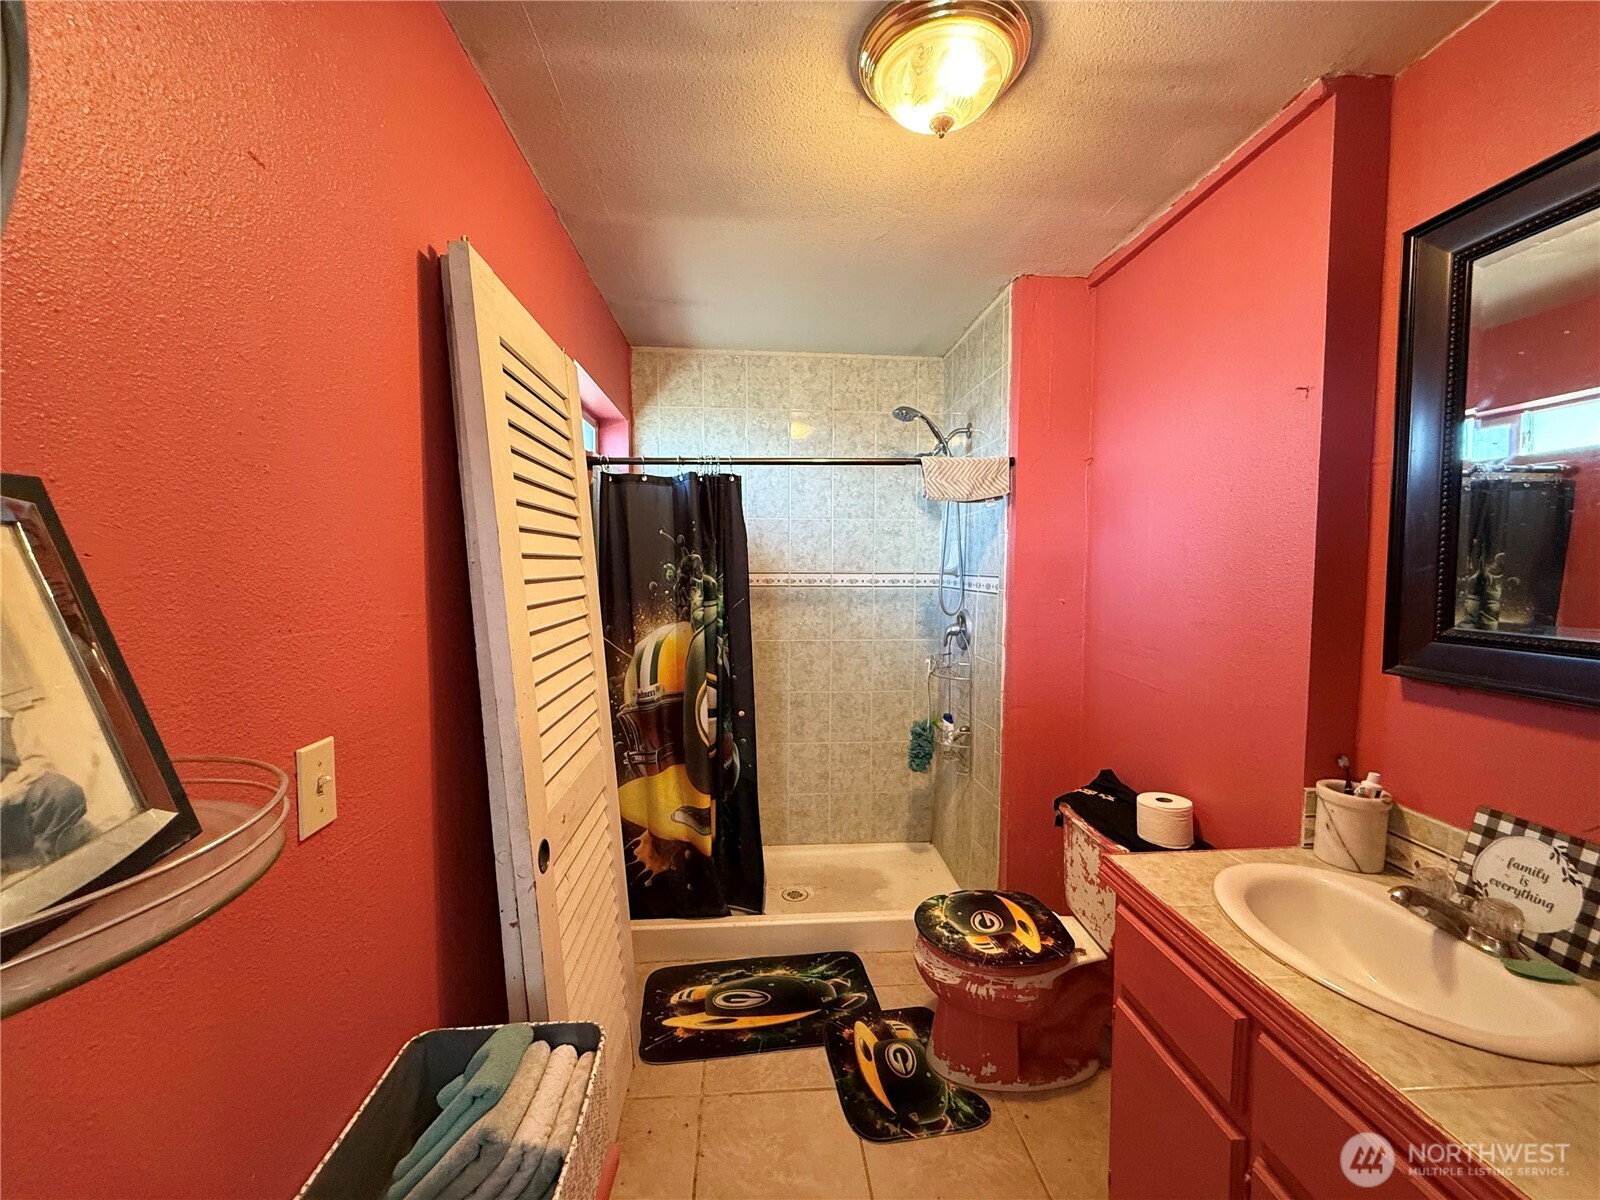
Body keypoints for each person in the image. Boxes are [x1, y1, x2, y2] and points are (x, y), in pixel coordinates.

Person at [1, 705, 92, 871]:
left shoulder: (8, 719)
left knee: (61, 790)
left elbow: (37, 763)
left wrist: (5, 793)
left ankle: (47, 854)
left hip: (15, 811)